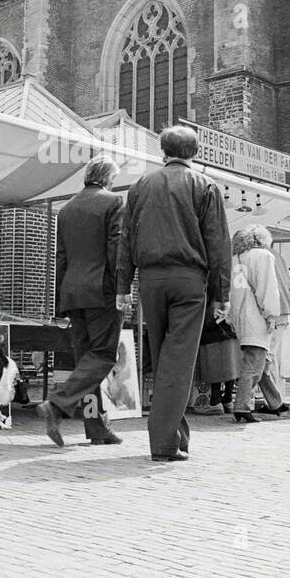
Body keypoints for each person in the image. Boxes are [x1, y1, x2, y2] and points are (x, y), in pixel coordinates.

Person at [117, 126, 231, 462]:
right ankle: (164, 443)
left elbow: (126, 240)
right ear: (194, 153)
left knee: (164, 357)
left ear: (162, 151)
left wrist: (124, 286)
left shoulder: (140, 185)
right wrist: (221, 293)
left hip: (150, 281)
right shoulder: (205, 186)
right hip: (188, 281)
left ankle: (177, 437)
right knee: (178, 362)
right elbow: (218, 245)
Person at [36, 159, 125, 448]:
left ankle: (98, 428)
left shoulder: (68, 209)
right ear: (109, 178)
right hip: (102, 291)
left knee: (87, 363)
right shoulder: (113, 202)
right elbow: (116, 251)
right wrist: (123, 288)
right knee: (102, 356)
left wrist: (60, 299)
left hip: (73, 292)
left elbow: (60, 257)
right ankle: (58, 403)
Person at [228, 225, 288, 424]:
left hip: (240, 316)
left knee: (260, 363)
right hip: (256, 316)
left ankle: (276, 402)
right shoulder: (263, 256)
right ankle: (242, 406)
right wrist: (272, 314)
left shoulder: (236, 259)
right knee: (254, 364)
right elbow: (267, 287)